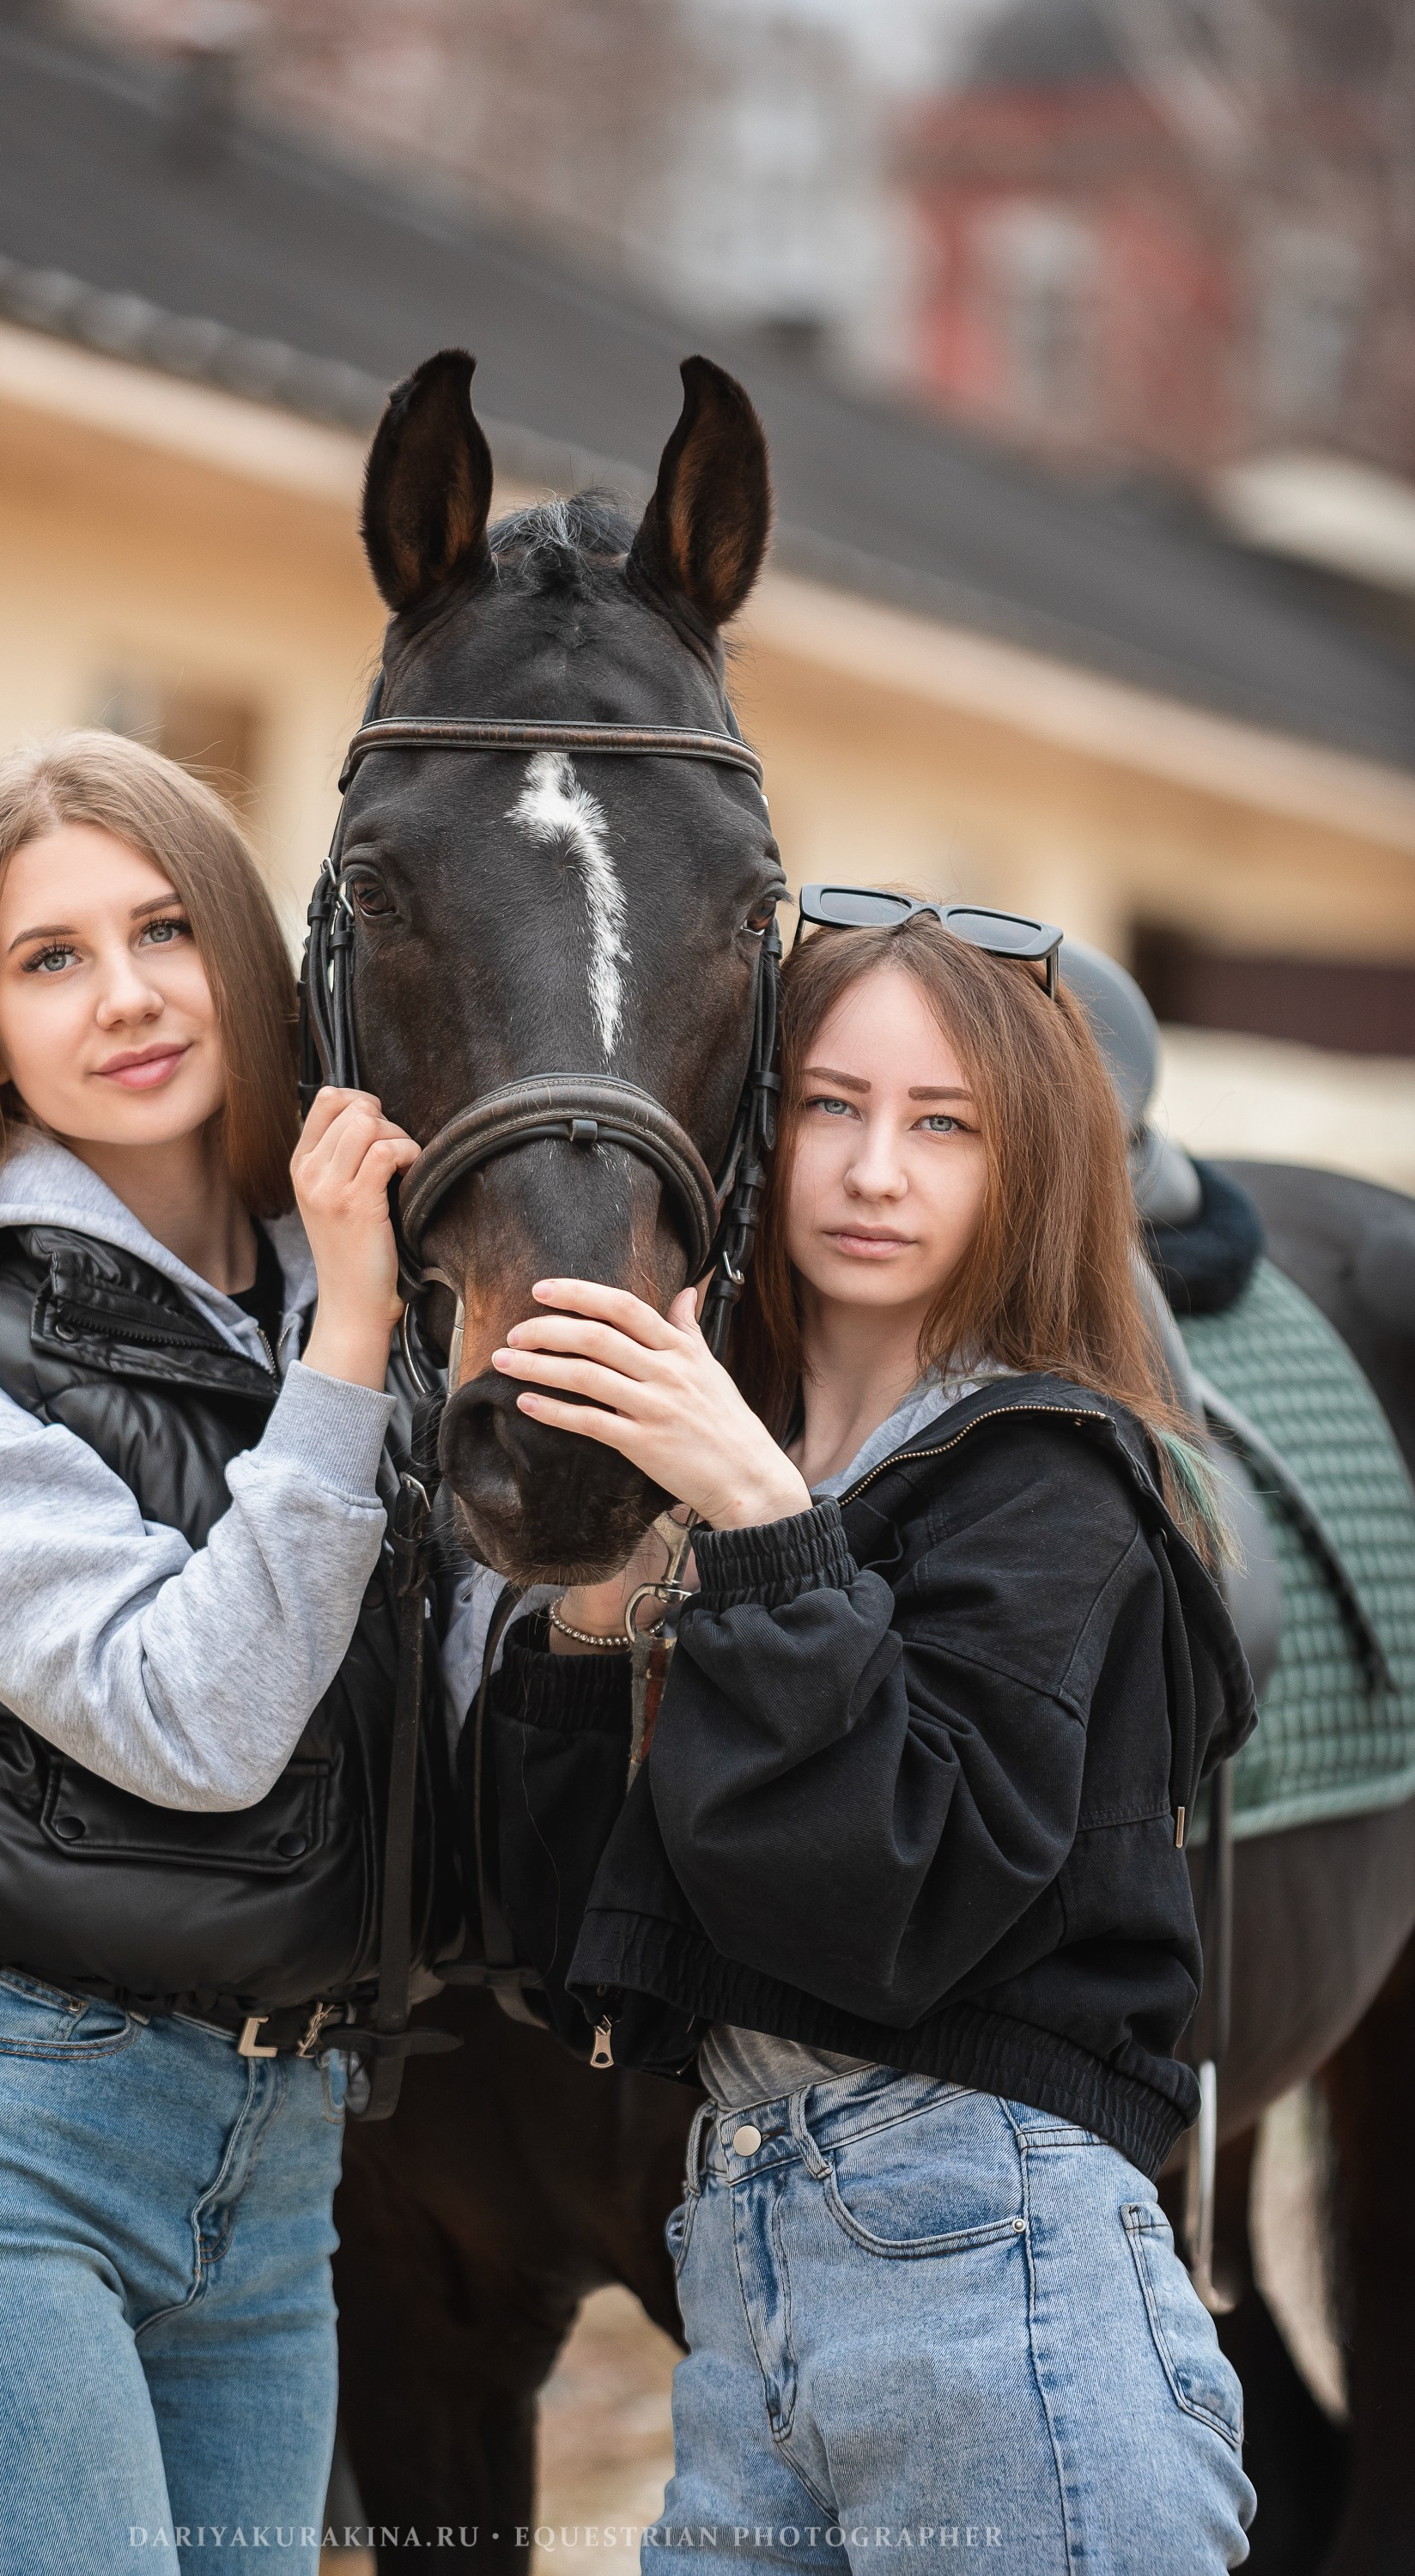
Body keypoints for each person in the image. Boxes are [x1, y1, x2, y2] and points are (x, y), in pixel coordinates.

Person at [485, 902, 1257, 2573]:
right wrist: (603, 1606)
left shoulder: (1052, 1483)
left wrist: (762, 1524)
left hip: (997, 2250)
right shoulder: (712, 1478)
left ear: (1026, 1162)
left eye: (944, 1123)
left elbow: (892, 1899)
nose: (876, 1170)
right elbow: (569, 1951)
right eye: (831, 1105)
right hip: (746, 2263)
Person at [0, 732, 420, 2574]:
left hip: (276, 2168)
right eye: (49, 959)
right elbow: (193, 1719)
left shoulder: (348, 1287)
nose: (125, 996)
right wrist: (355, 1348)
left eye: (163, 930)